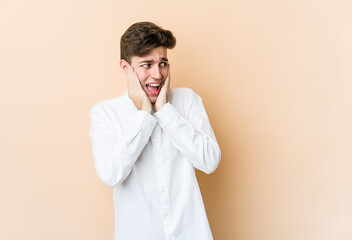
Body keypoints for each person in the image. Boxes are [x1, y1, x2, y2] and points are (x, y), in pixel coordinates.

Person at [89, 21, 221, 240]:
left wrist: (164, 111)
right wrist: (144, 115)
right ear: (126, 68)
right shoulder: (105, 113)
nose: (158, 75)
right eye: (146, 64)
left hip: (190, 233)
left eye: (163, 63)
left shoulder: (188, 101)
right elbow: (110, 174)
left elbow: (210, 161)